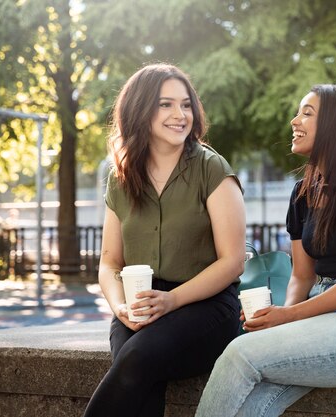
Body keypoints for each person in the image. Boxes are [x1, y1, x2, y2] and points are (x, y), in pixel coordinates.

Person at [196, 84, 336, 417]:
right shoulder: (302, 194)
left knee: (240, 354)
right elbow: (301, 275)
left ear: (335, 126)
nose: (294, 121)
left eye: (307, 113)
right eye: (298, 112)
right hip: (323, 311)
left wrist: (288, 317)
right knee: (254, 400)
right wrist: (278, 319)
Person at [83, 63, 246, 417]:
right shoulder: (121, 177)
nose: (180, 114)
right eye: (166, 104)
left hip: (206, 308)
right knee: (140, 375)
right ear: (140, 110)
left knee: (137, 358)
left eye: (186, 105)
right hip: (140, 306)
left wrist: (171, 300)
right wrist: (120, 307)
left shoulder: (212, 169)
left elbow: (233, 260)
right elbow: (110, 262)